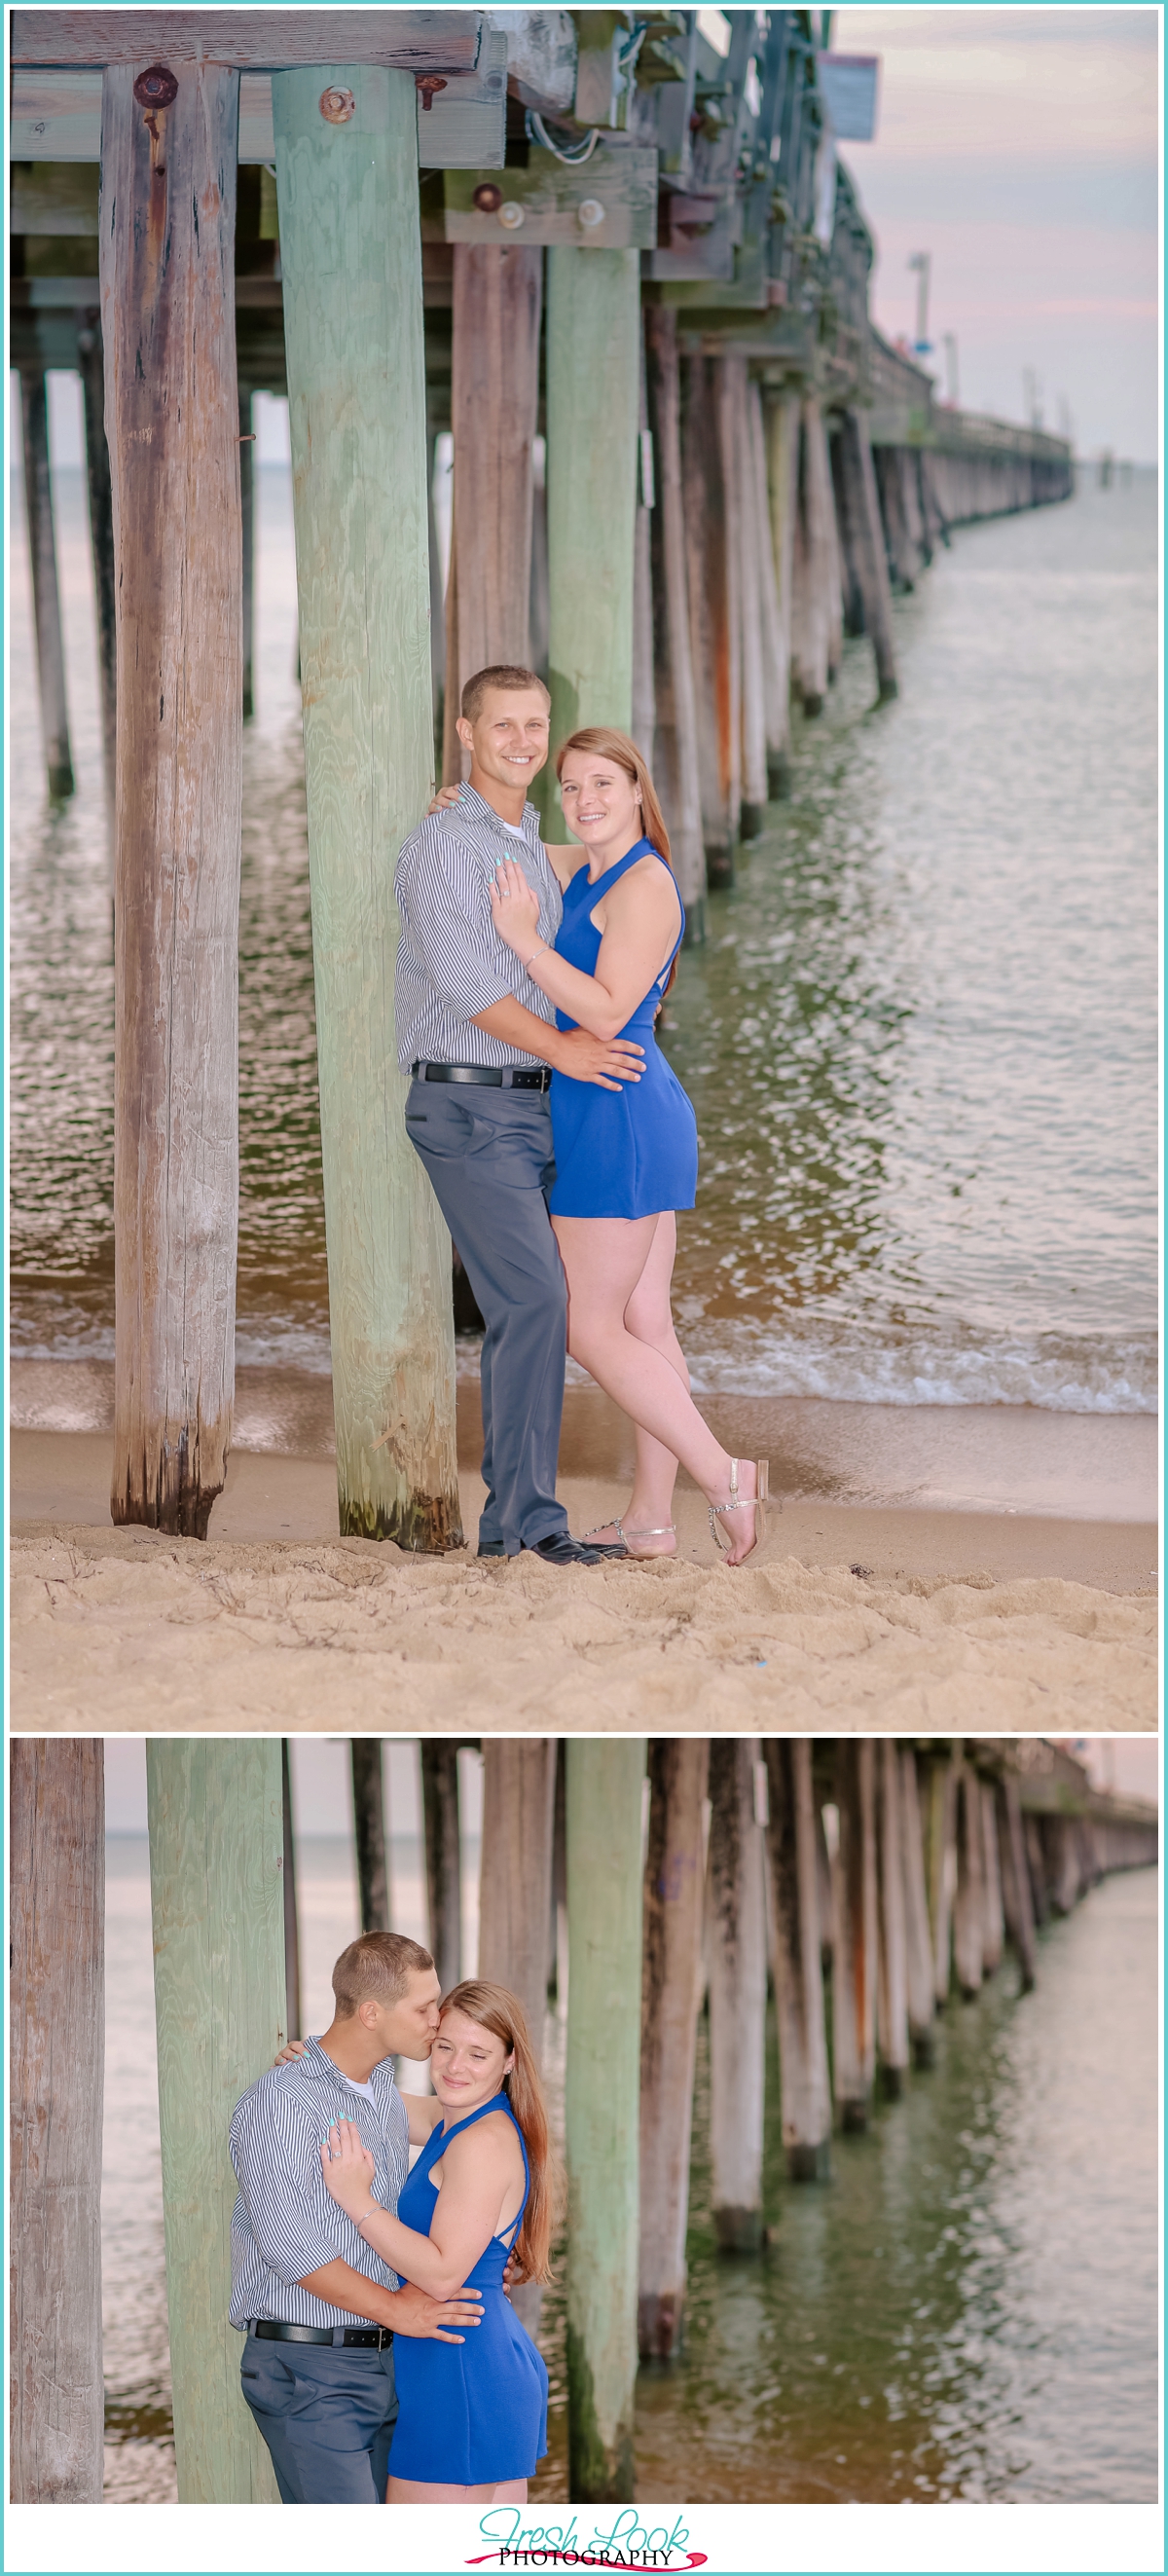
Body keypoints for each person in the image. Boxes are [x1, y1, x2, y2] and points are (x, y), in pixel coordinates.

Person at [487, 727, 768, 1566]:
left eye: (603, 783)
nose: (586, 801)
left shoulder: (644, 886)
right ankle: (650, 1517)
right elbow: (531, 847)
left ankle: (726, 1476)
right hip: (620, 1105)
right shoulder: (596, 866)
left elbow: (607, 1011)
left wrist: (524, 941)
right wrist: (463, 811)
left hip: (617, 1112)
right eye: (571, 786)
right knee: (645, 1321)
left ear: (638, 789)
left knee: (585, 1324)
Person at [395, 666, 645, 1566]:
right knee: (534, 1298)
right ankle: (530, 1525)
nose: (524, 742)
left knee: (549, 1301)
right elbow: (466, 988)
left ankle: (513, 1526)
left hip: (532, 1109)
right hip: (467, 1104)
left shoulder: (529, 839)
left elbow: (603, 860)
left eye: (536, 725)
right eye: (503, 726)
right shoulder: (439, 849)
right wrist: (569, 1049)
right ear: (466, 733)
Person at [229, 1932, 486, 2505]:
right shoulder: (282, 2102)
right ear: (371, 2013)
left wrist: (496, 2250)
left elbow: (473, 2124)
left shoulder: (381, 2095)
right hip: (310, 2369)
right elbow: (287, 2244)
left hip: (386, 2363)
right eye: (423, 2008)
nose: (437, 2020)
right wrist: (397, 2307)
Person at [319, 1980, 552, 2504]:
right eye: (444, 2046)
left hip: (464, 2371)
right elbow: (372, 2100)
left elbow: (444, 2275)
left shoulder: (480, 2142)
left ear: (509, 2062)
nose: (454, 2066)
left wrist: (359, 2201)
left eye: (478, 2054)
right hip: (466, 2362)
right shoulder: (455, 2118)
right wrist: (312, 2062)